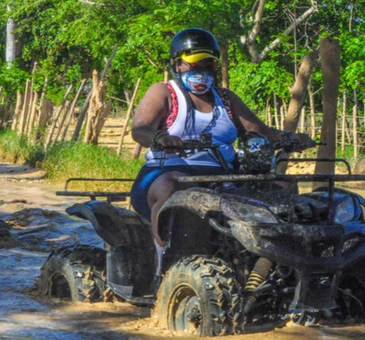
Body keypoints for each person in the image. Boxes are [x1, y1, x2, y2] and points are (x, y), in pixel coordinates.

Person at [130, 28, 315, 247]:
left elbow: (261, 131)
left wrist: (290, 138)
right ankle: (164, 257)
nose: (202, 70)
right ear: (177, 64)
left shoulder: (225, 98)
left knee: (281, 185)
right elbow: (140, 129)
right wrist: (160, 138)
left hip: (223, 175)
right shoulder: (164, 92)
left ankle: (276, 253)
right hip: (167, 172)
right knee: (172, 187)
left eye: (208, 64)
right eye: (194, 64)